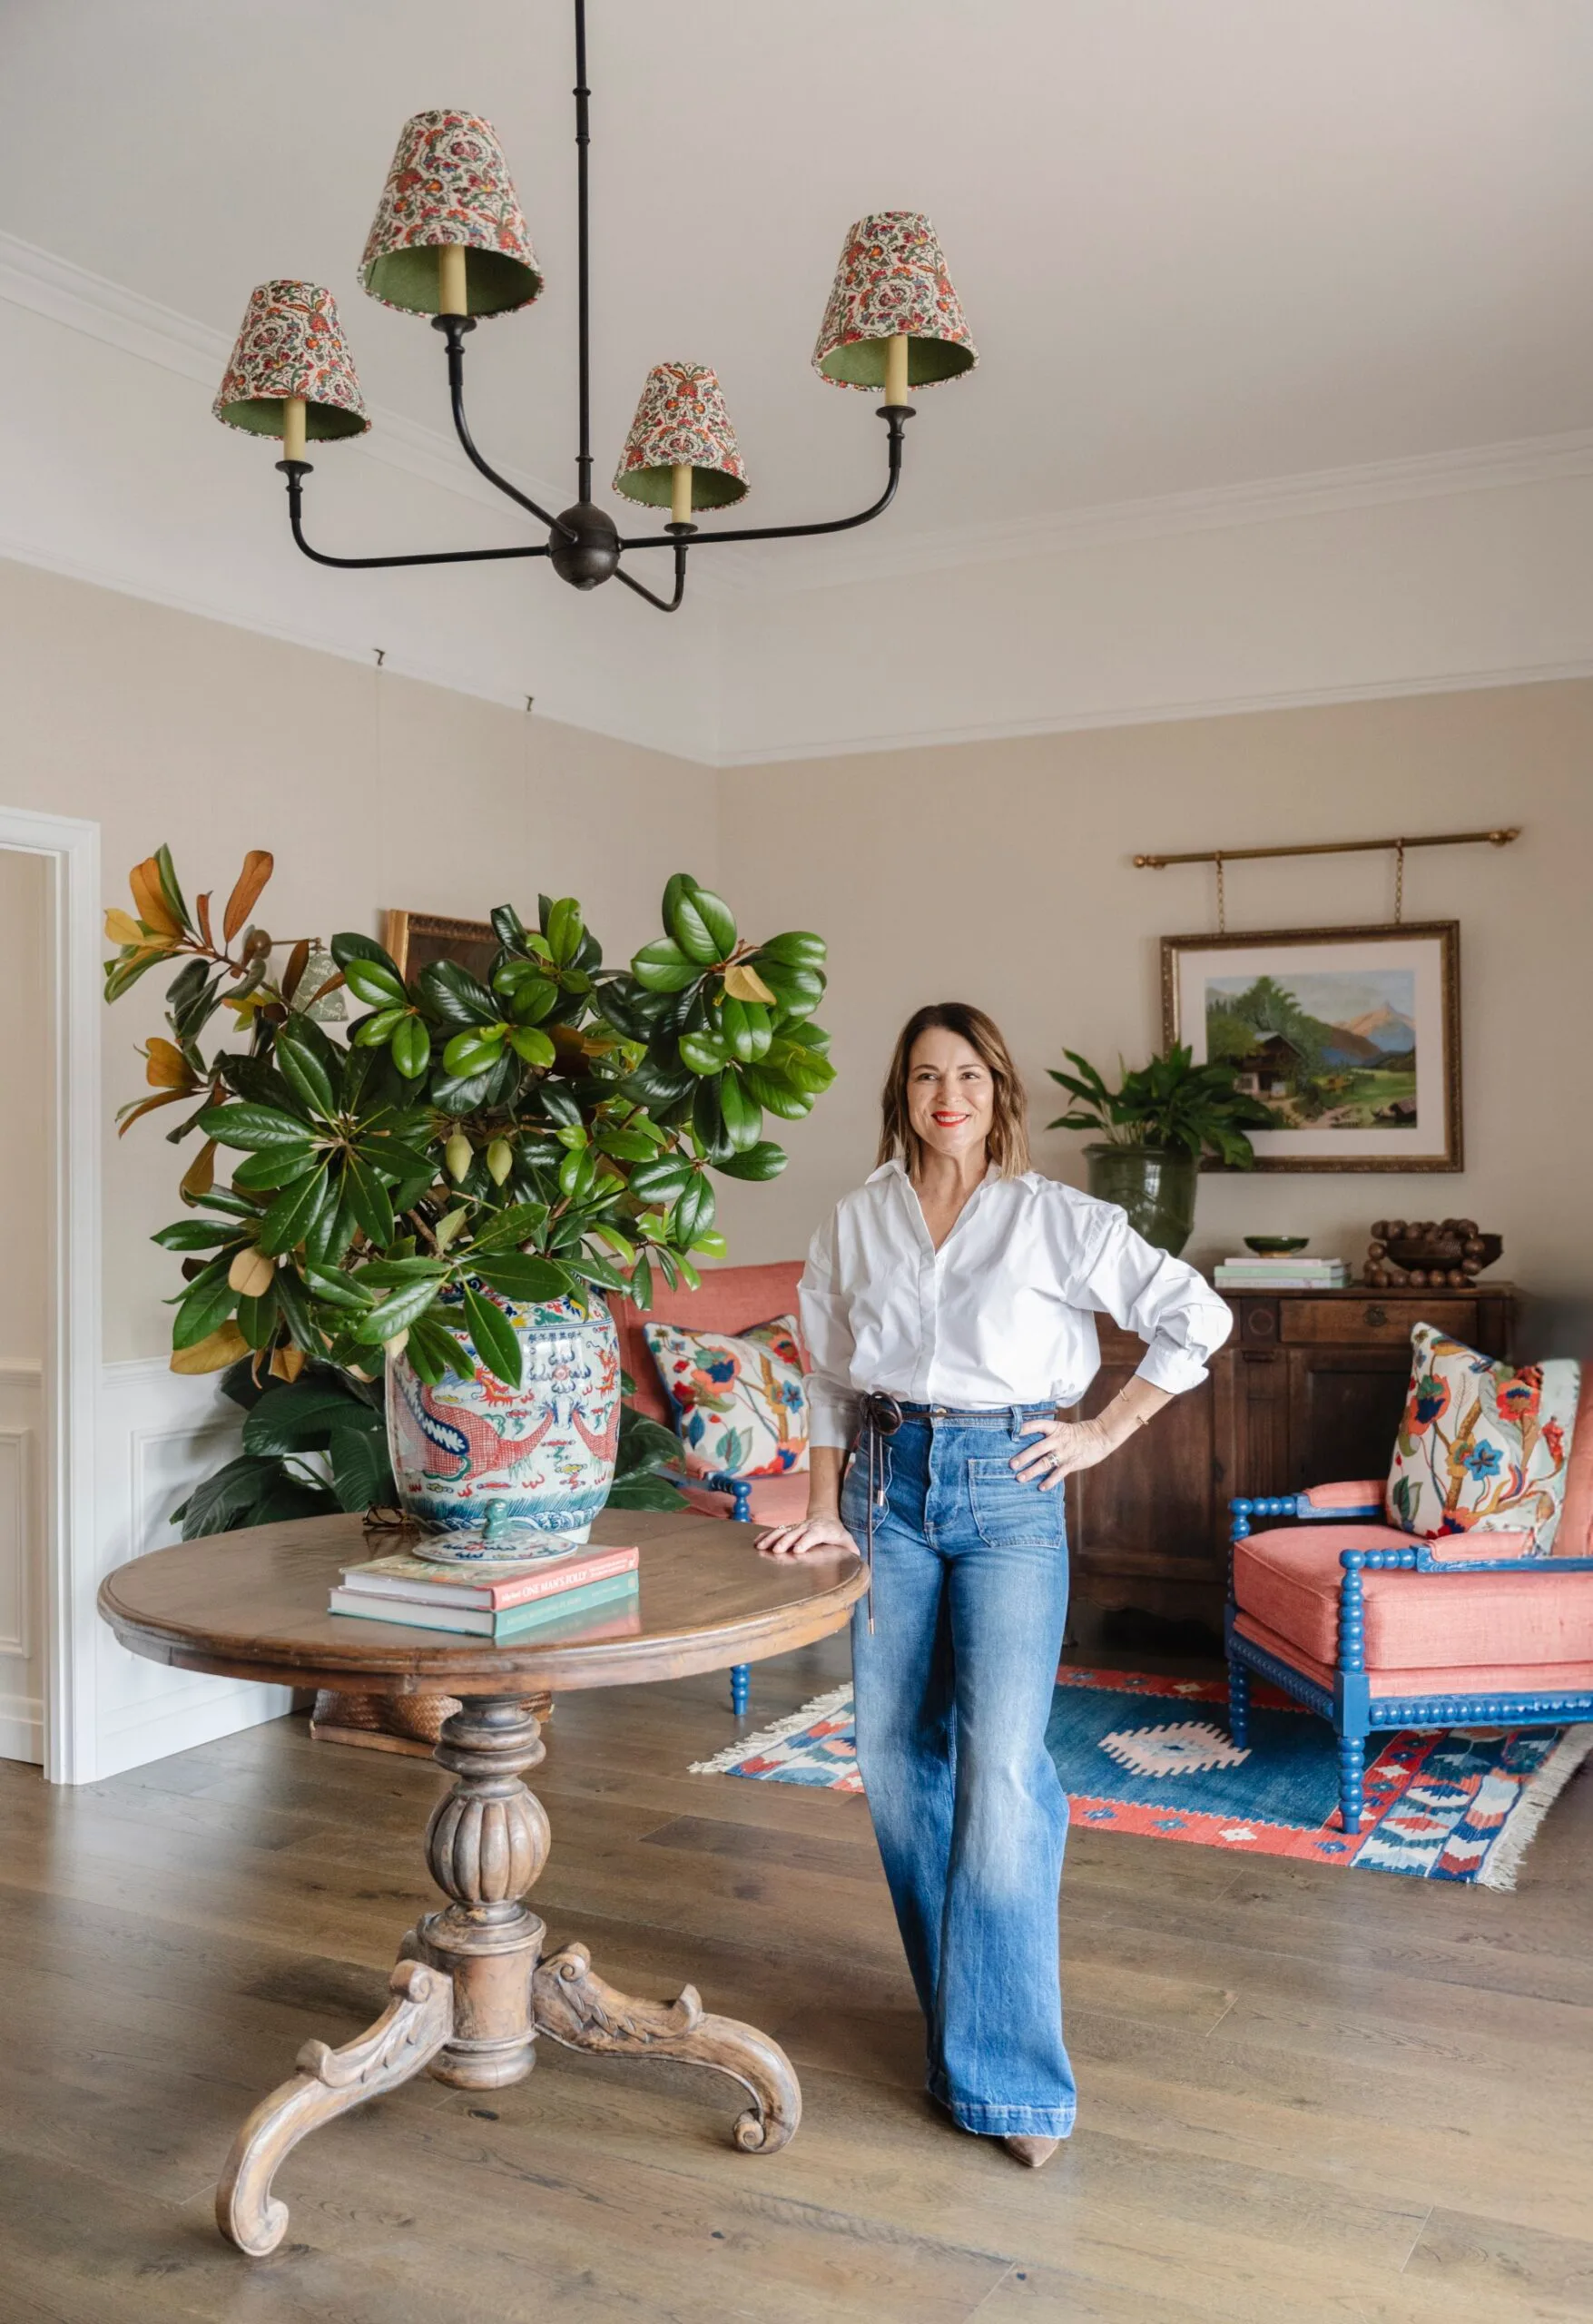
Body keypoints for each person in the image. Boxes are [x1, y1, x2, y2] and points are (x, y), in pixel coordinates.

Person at [759, 1001, 1232, 2169]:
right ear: (903, 1093)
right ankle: (967, 2018)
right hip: (886, 1490)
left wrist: (1102, 1433)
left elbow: (1195, 1316)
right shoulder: (857, 1220)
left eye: (967, 1074)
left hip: (1012, 1489)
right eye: (925, 1075)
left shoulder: (1055, 1217)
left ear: (998, 1091)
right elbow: (825, 1375)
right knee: (889, 1754)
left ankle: (1013, 2086)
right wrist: (821, 1507)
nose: (947, 1095)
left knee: (1004, 1766)